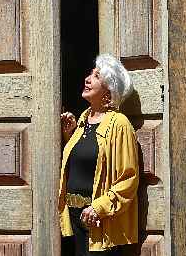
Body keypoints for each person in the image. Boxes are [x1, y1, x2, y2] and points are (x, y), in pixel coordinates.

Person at [58, 53, 139, 256]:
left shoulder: (119, 124)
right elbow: (87, 162)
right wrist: (69, 136)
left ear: (108, 91)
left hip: (98, 221)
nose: (87, 79)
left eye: (96, 76)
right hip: (74, 218)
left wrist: (98, 208)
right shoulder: (84, 120)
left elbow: (128, 179)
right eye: (90, 74)